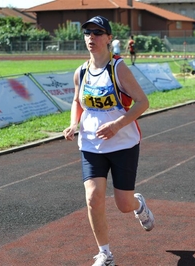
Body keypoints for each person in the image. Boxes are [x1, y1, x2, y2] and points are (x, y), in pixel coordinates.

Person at [63, 15, 155, 266]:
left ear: (109, 38)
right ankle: (105, 254)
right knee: (92, 198)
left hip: (123, 143)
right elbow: (76, 102)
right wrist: (73, 123)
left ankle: (139, 205)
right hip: (91, 145)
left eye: (97, 33)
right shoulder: (80, 71)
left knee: (123, 204)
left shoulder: (118, 68)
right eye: (87, 33)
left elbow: (143, 102)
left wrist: (116, 125)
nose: (91, 38)